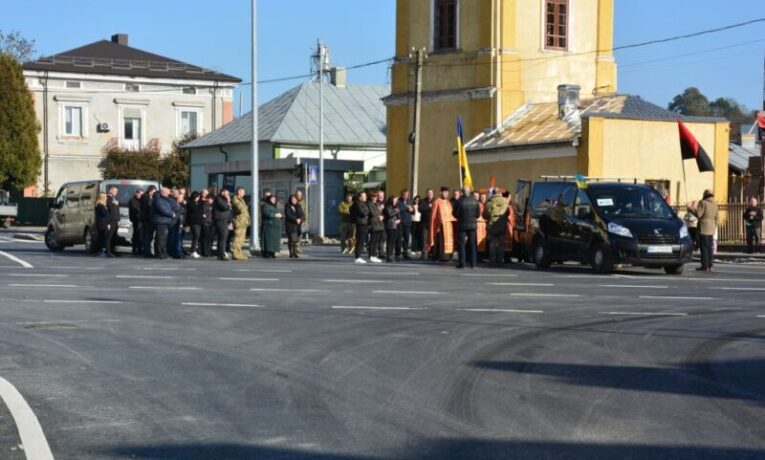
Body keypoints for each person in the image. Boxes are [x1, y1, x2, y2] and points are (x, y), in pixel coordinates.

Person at [689, 190, 718, 272]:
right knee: (710, 248)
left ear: (705, 195)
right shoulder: (715, 204)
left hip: (704, 227)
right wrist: (714, 226)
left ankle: (704, 265)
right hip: (711, 228)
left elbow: (699, 214)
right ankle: (710, 264)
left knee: (704, 248)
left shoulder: (703, 203)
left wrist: (690, 209)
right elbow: (717, 218)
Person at [453, 185, 480, 269]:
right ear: (469, 191)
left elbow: (455, 213)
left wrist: (460, 217)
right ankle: (473, 264)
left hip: (462, 225)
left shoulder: (459, 201)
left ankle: (462, 263)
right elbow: (478, 214)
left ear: (462, 192)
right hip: (472, 225)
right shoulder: (475, 201)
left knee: (462, 244)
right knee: (472, 244)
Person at [429, 187, 456, 262]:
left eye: (447, 192)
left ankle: (448, 257)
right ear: (441, 193)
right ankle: (439, 257)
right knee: (440, 241)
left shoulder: (448, 202)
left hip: (449, 225)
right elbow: (433, 214)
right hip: (440, 225)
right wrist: (435, 224)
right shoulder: (437, 201)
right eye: (444, 192)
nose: (446, 194)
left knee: (449, 241)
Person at [485, 190, 509, 265]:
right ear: (499, 193)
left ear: (493, 193)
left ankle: (492, 259)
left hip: (492, 225)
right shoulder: (505, 201)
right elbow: (508, 213)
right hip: (502, 225)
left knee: (492, 243)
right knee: (501, 243)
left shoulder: (489, 202)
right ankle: (500, 259)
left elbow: (485, 214)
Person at [152, 187, 175, 260]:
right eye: (167, 193)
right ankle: (159, 253)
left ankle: (164, 252)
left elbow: (172, 206)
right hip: (160, 221)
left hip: (165, 221)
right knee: (160, 238)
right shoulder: (158, 199)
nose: (168, 194)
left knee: (164, 238)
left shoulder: (165, 199)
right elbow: (162, 209)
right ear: (163, 192)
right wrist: (171, 214)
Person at [231, 187, 251, 260]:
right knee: (237, 239)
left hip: (243, 222)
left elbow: (245, 210)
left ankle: (239, 253)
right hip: (238, 222)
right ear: (239, 192)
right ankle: (235, 253)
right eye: (243, 192)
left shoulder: (242, 199)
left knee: (241, 240)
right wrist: (246, 207)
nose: (244, 193)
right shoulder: (235, 199)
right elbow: (241, 209)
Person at [213, 189, 233, 260]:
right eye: (226, 193)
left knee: (223, 238)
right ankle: (221, 254)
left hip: (225, 221)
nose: (228, 195)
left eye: (228, 193)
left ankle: (220, 253)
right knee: (223, 238)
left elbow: (229, 210)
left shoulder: (224, 200)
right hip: (220, 220)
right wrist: (228, 201)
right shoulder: (218, 199)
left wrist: (230, 221)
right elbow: (225, 207)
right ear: (222, 192)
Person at [352, 192, 371, 264]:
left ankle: (359, 256)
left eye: (366, 196)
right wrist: (366, 210)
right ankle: (357, 257)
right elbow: (363, 213)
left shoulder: (364, 204)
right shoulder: (357, 204)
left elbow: (367, 211)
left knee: (362, 241)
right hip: (360, 223)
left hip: (364, 223)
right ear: (360, 197)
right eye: (364, 196)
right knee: (360, 240)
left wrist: (366, 210)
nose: (366, 197)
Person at [368, 190, 385, 263]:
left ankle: (374, 255)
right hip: (374, 224)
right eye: (374, 196)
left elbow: (379, 212)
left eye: (376, 196)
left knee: (376, 241)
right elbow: (373, 213)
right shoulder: (370, 203)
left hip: (379, 224)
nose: (376, 198)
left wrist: (382, 215)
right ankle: (371, 255)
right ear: (371, 197)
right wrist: (379, 210)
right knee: (373, 241)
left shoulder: (375, 203)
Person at [140, 186, 157, 258]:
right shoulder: (146, 197)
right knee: (148, 236)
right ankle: (147, 252)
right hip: (147, 219)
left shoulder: (147, 197)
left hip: (147, 219)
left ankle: (147, 251)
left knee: (148, 236)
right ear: (151, 191)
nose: (155, 193)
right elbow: (149, 207)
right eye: (154, 192)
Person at [384, 195, 402, 263]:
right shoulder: (388, 206)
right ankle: (388, 256)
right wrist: (396, 211)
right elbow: (389, 214)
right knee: (390, 242)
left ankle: (391, 255)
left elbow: (399, 216)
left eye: (396, 201)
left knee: (393, 242)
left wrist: (399, 220)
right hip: (389, 225)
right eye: (394, 200)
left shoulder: (396, 207)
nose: (395, 202)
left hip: (395, 226)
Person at [397, 189, 414, 260]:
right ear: (402, 195)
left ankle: (405, 253)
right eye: (405, 195)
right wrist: (405, 207)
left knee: (406, 239)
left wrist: (412, 210)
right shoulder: (398, 201)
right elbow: (398, 210)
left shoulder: (409, 201)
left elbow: (413, 212)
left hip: (408, 222)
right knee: (399, 238)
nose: (406, 196)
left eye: (407, 195)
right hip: (401, 222)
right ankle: (398, 253)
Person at [187, 191, 203, 259]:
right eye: (197, 197)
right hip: (194, 222)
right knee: (196, 236)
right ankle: (193, 251)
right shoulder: (190, 203)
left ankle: (193, 250)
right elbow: (195, 209)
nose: (198, 198)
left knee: (197, 236)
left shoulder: (198, 203)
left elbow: (201, 210)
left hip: (198, 222)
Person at [419, 189, 434, 260]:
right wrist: (429, 206)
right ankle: (424, 254)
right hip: (424, 224)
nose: (430, 194)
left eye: (431, 193)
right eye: (429, 193)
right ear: (427, 194)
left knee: (432, 239)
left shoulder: (435, 200)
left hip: (433, 223)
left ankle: (432, 254)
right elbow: (420, 208)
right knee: (424, 239)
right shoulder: (422, 201)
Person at [106, 186, 121, 257]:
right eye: (115, 191)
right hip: (111, 220)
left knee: (114, 237)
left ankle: (113, 251)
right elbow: (109, 209)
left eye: (117, 191)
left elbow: (117, 211)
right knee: (110, 237)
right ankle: (108, 251)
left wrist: (118, 220)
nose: (116, 193)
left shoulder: (114, 199)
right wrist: (113, 204)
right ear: (111, 191)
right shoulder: (108, 198)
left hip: (115, 220)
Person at [128, 188, 143, 256]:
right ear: (137, 193)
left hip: (141, 219)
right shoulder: (132, 200)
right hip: (136, 220)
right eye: (140, 194)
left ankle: (139, 248)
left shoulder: (141, 200)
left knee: (139, 234)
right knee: (137, 234)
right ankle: (135, 248)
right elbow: (136, 209)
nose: (141, 196)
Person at [294, 189, 306, 253]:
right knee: (295, 234)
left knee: (300, 234)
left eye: (300, 195)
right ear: (296, 195)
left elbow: (305, 210)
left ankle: (298, 247)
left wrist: (305, 219)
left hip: (301, 220)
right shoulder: (294, 201)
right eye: (298, 195)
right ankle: (295, 247)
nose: (299, 196)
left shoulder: (303, 202)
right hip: (295, 220)